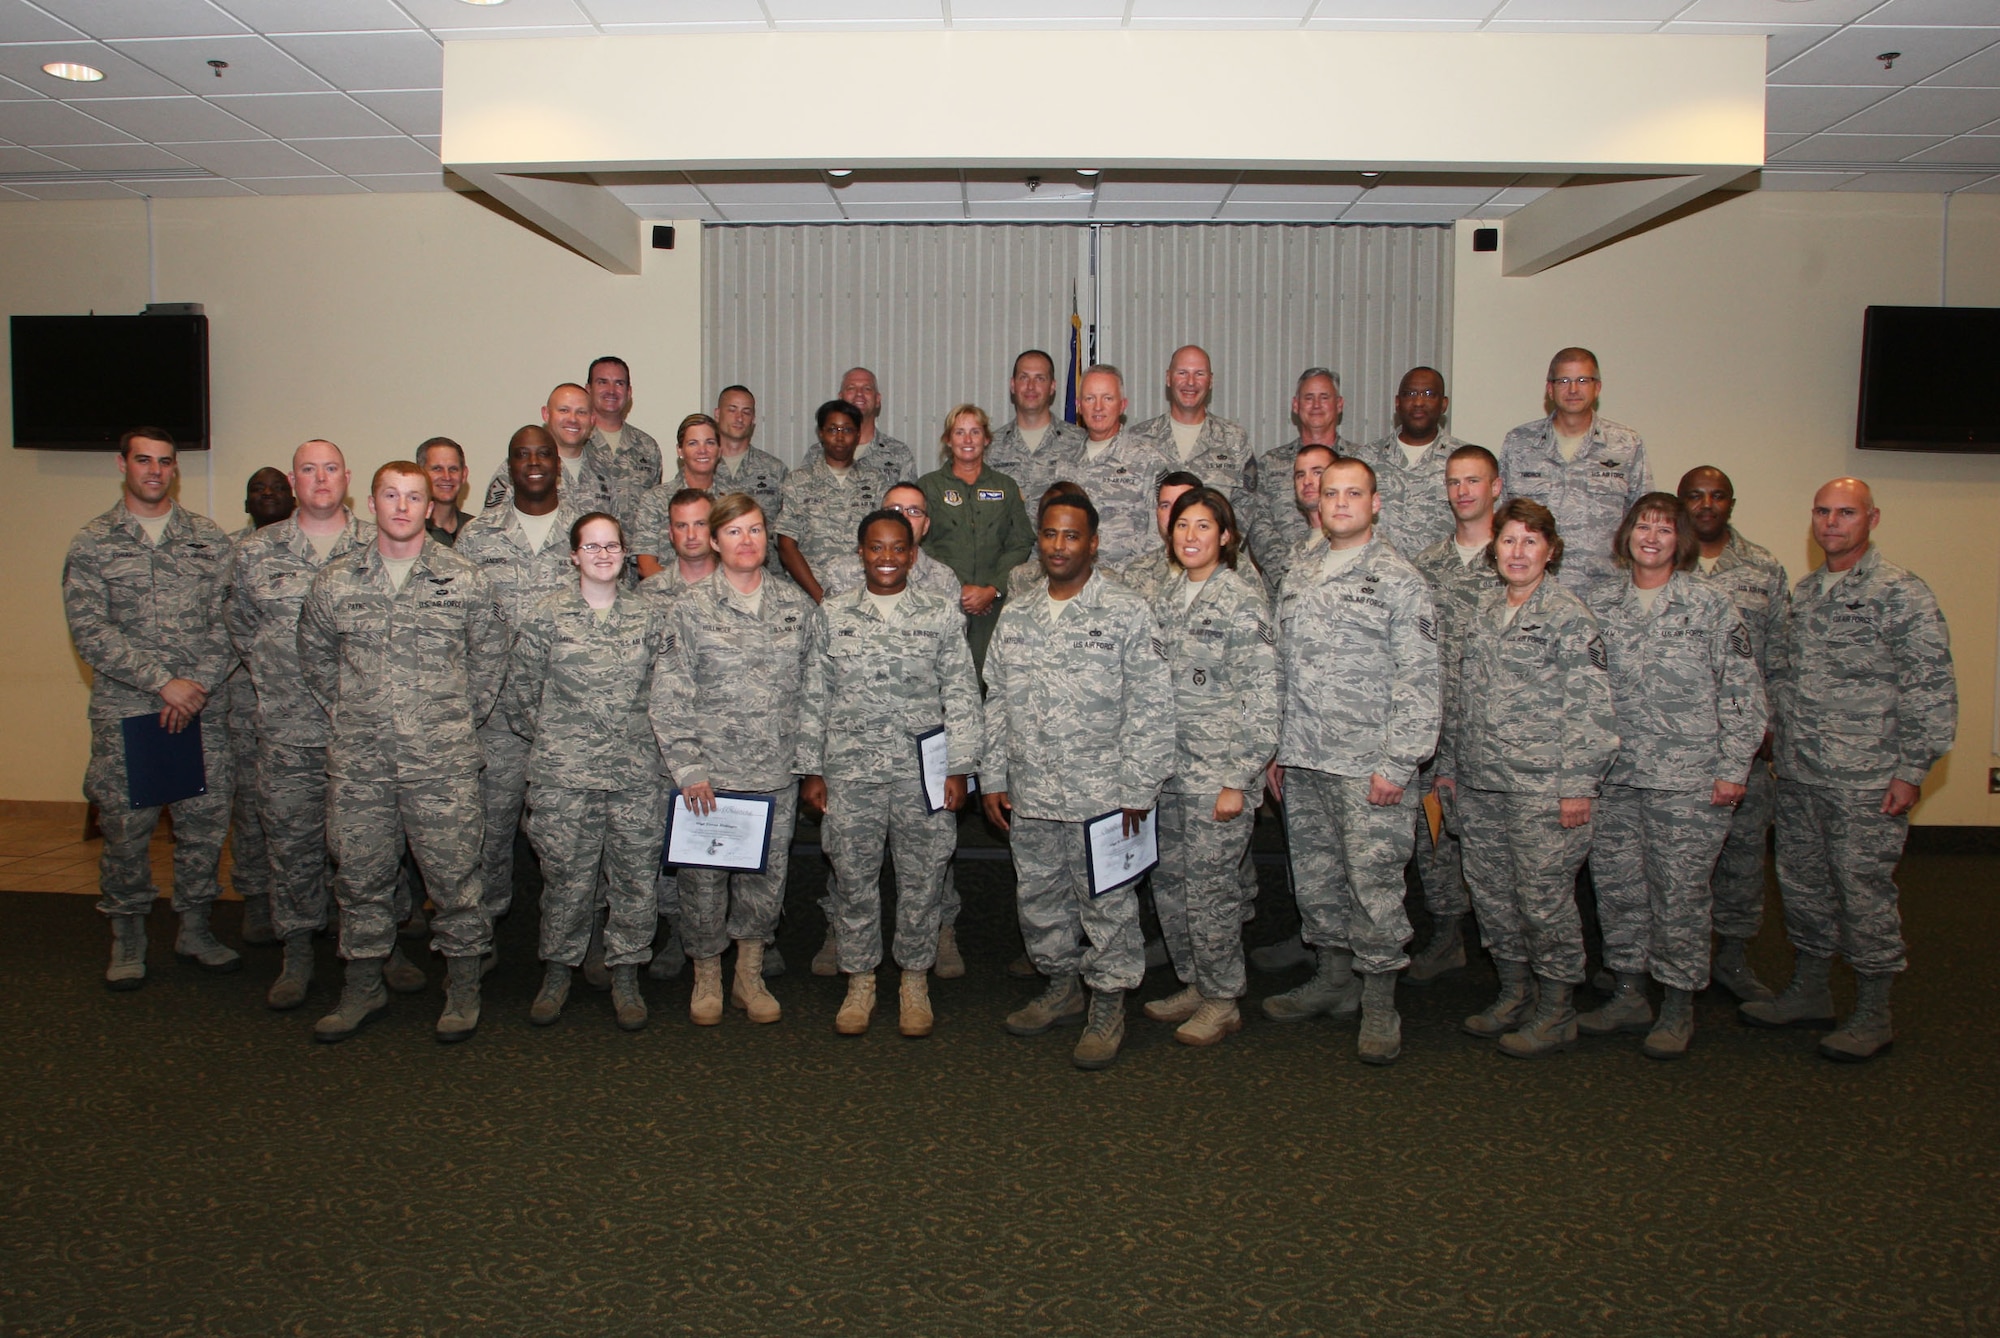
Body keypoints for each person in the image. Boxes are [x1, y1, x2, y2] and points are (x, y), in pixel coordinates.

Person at [1744, 478, 1956, 1063]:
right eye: (1822, 512)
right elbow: (1785, 676)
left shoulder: (1900, 593)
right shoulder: (1807, 593)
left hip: (1866, 775)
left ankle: (1873, 1009)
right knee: (1804, 887)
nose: (1831, 523)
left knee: (1862, 892)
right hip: (1803, 771)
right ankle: (1811, 990)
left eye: (1845, 512)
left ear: (1872, 519)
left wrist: (1912, 769)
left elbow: (1930, 686)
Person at [297, 462, 509, 1043]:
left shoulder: (466, 579)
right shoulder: (336, 581)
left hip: (442, 766)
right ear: (372, 502)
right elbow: (316, 662)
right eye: (390, 495)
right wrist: (353, 716)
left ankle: (463, 988)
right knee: (360, 880)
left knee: (456, 882)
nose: (401, 506)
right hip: (362, 766)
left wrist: (452, 722)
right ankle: (363, 987)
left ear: (429, 504)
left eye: (413, 497)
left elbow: (490, 662)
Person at [229, 439, 425, 1011]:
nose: (320, 479)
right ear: (293, 480)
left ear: (348, 479)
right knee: (292, 844)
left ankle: (383, 948)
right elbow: (240, 627)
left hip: (369, 735)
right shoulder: (257, 552)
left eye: (331, 469)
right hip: (289, 730)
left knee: (374, 848)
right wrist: (276, 678)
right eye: (308, 470)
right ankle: (297, 953)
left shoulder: (379, 543)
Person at [983, 491, 1174, 1070]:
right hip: (1033, 790)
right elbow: (995, 702)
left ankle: (1108, 1002)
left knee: (1108, 904)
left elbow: (1152, 706)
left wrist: (1139, 788)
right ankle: (1062, 986)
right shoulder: (1017, 612)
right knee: (1039, 899)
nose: (1058, 546)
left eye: (1071, 536)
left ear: (1093, 543)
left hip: (1105, 795)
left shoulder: (1126, 611)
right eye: (1049, 534)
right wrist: (993, 775)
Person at [1262, 458, 1440, 1065]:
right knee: (1316, 880)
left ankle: (1380, 1000)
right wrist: (1276, 749)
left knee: (1375, 887)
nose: (1339, 502)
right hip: (1306, 759)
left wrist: (1398, 763)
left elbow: (1421, 681)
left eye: (1352, 493)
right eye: (1330, 492)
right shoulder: (1300, 569)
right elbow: (1281, 666)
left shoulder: (1400, 579)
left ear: (1375, 502)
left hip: (1370, 767)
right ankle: (1334, 979)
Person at [1580, 494, 1767, 1060]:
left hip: (1687, 779)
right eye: (1643, 526)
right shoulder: (1598, 603)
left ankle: (1679, 1004)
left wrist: (1734, 768)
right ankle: (1631, 991)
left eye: (1665, 528)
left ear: (1679, 539)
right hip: (1614, 778)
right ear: (1626, 535)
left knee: (1680, 894)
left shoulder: (1710, 606)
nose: (1652, 537)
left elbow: (1742, 693)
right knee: (1618, 890)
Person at [1434, 499, 1617, 1059]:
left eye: (1530, 542)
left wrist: (1578, 787)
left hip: (1544, 789)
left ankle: (1557, 1009)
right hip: (1483, 783)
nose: (1517, 552)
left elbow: (1592, 711)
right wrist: (1449, 771)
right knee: (1492, 897)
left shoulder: (1569, 617)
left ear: (1551, 551)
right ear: (1494, 550)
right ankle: (1514, 993)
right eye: (1509, 541)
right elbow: (1462, 699)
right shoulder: (1485, 612)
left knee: (1543, 901)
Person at [64, 427, 239, 988]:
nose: (155, 471)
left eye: (165, 462)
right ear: (123, 465)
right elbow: (89, 630)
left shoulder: (208, 540)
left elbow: (230, 622)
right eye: (144, 460)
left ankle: (194, 927)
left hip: (201, 712)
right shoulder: (94, 543)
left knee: (204, 828)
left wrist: (196, 687)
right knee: (126, 828)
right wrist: (164, 682)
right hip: (129, 711)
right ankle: (128, 936)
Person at [798, 509, 983, 1038]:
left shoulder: (941, 613)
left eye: (897, 548)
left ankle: (914, 980)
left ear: (912, 553)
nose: (886, 557)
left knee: (922, 880)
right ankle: (860, 982)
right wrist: (811, 769)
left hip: (921, 775)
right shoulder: (833, 614)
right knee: (853, 879)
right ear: (860, 553)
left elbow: (962, 694)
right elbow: (815, 695)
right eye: (875, 547)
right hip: (849, 772)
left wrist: (961, 769)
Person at [651, 493, 817, 1026]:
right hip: (710, 775)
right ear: (715, 541)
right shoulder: (689, 608)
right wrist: (689, 769)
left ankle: (748, 973)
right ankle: (706, 975)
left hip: (775, 771)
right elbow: (669, 694)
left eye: (755, 530)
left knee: (766, 879)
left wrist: (809, 763)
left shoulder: (797, 606)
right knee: (702, 882)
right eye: (735, 532)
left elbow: (817, 692)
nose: (746, 541)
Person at [503, 512, 665, 1032]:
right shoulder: (545, 617)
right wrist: (563, 742)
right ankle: (558, 973)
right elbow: (523, 697)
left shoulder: (650, 619)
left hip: (635, 775)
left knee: (635, 881)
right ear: (573, 555)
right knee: (566, 880)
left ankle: (625, 975)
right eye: (590, 546)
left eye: (612, 545)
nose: (602, 554)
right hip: (563, 776)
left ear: (624, 553)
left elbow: (666, 696)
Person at [1138, 488, 1277, 1047]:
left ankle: (1223, 998)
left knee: (1212, 891)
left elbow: (1262, 697)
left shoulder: (1242, 600)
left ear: (1225, 536)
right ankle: (1195, 981)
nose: (1191, 536)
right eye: (1182, 525)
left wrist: (1237, 780)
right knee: (1171, 885)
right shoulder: (1166, 597)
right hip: (1168, 774)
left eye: (1203, 526)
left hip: (1216, 777)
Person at [456, 427, 589, 970]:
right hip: (494, 715)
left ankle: (583, 937)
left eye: (543, 454)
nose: (533, 463)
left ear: (559, 463)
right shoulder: (477, 537)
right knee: (486, 831)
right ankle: (480, 939)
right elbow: (460, 626)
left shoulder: (587, 529)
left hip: (568, 712)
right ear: (508, 466)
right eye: (522, 455)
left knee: (576, 838)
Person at [1678, 465, 1790, 1002]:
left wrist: (1770, 724)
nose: (1706, 505)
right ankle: (1676, 960)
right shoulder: (1658, 565)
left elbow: (1786, 658)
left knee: (1743, 853)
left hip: (1742, 742)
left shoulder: (1763, 569)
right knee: (1675, 863)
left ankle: (1735, 957)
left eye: (1717, 496)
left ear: (1731, 503)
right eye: (1695, 496)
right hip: (1673, 745)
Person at [1402, 444, 1505, 985]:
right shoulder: (1427, 564)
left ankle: (1507, 953)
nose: (1463, 491)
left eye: (1473, 481)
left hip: (1493, 734)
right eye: (1454, 482)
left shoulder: (1512, 559)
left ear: (1496, 487)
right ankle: (1448, 934)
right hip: (1435, 731)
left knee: (1492, 845)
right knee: (1434, 838)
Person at [1499, 347, 1651, 603]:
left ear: (1597, 387)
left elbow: (1641, 518)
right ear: (1550, 389)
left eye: (1582, 380)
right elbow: (1502, 515)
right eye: (1564, 381)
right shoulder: (1519, 443)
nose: (1572, 389)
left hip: (1606, 596)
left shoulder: (1626, 444)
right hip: (1534, 594)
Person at [223, 466, 294, 948]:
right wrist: (271, 669)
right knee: (254, 807)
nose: (267, 495)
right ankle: (255, 898)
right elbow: (235, 625)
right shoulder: (236, 553)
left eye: (276, 488)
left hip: (330, 708)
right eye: (257, 490)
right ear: (246, 503)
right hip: (254, 701)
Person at [917, 404, 1036, 672]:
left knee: (990, 678)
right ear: (948, 439)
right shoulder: (929, 487)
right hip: (942, 602)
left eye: (975, 432)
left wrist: (991, 589)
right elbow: (922, 542)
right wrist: (957, 588)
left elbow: (1021, 541)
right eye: (959, 432)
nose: (967, 440)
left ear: (987, 439)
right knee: (943, 676)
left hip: (993, 605)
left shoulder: (1004, 487)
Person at [1349, 367, 1472, 559]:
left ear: (1443, 404)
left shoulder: (1466, 460)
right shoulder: (1365, 459)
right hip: (1377, 580)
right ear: (1398, 403)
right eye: (1410, 394)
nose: (1418, 402)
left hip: (1444, 580)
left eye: (1429, 394)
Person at [1128, 345, 1254, 531]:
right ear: (1168, 378)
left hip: (1212, 556)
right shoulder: (1137, 438)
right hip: (1152, 557)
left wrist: (1222, 552)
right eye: (1182, 373)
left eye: (1199, 374)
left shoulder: (1234, 439)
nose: (1191, 382)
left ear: (1210, 381)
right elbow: (1127, 508)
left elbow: (1246, 506)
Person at [1057, 365, 1167, 570]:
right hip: (1074, 584)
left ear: (1122, 405)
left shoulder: (1149, 460)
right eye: (1090, 399)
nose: (1098, 407)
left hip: (1130, 585)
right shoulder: (1064, 463)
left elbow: (1161, 534)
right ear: (1079, 405)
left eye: (1107, 398)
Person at [1244, 368, 1349, 574]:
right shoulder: (1271, 463)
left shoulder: (1361, 461)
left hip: (1345, 583)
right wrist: (1290, 573)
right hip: (1284, 584)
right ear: (1295, 405)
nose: (1316, 405)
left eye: (1324, 397)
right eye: (1308, 398)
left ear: (1339, 405)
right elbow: (1258, 525)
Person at [777, 400, 884, 603]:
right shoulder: (798, 481)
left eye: (847, 429)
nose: (840, 437)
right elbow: (786, 546)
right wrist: (820, 597)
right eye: (833, 429)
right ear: (821, 433)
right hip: (808, 595)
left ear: (858, 434)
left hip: (862, 597)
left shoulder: (875, 481)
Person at [483, 383, 615, 517]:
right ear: (546, 414)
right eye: (564, 410)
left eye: (581, 412)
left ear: (592, 419)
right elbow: (492, 527)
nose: (573, 419)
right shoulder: (519, 469)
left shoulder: (606, 471)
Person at [986, 349, 1087, 505]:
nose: (1031, 386)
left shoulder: (1080, 442)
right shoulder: (990, 446)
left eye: (1040, 378)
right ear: (1013, 385)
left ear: (1052, 386)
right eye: (1024, 377)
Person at [631, 414, 724, 578]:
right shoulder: (655, 500)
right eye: (693, 443)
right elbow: (646, 566)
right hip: (668, 597)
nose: (702, 450)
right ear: (680, 451)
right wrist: (691, 596)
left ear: (719, 450)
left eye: (709, 442)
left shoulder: (731, 501)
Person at [584, 355, 663, 531]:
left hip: (635, 556)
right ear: (588, 389)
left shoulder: (647, 447)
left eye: (619, 383)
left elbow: (654, 511)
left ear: (629, 392)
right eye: (602, 382)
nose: (611, 390)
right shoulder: (574, 443)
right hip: (586, 555)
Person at [712, 385, 789, 552]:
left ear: (753, 419)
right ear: (717, 414)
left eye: (746, 412)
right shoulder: (702, 464)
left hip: (764, 571)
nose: (739, 418)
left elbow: (786, 532)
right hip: (711, 571)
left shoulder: (774, 470)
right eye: (732, 410)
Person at [1250, 443, 1333, 596]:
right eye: (1300, 475)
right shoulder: (1296, 552)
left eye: (1317, 472)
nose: (1307, 481)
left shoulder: (1350, 542)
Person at [1118, 470, 1204, 604]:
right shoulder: (1136, 573)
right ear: (1157, 513)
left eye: (1182, 504)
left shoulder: (1233, 567)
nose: (1173, 513)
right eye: (1165, 506)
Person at [838, 366, 917, 495]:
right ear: (840, 398)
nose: (859, 393)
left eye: (867, 389)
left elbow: (908, 505)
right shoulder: (819, 453)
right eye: (851, 388)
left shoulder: (899, 453)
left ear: (877, 400)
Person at [417, 437, 473, 544]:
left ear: (464, 475)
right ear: (420, 474)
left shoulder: (478, 531)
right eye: (437, 469)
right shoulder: (409, 532)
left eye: (453, 469)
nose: (447, 477)